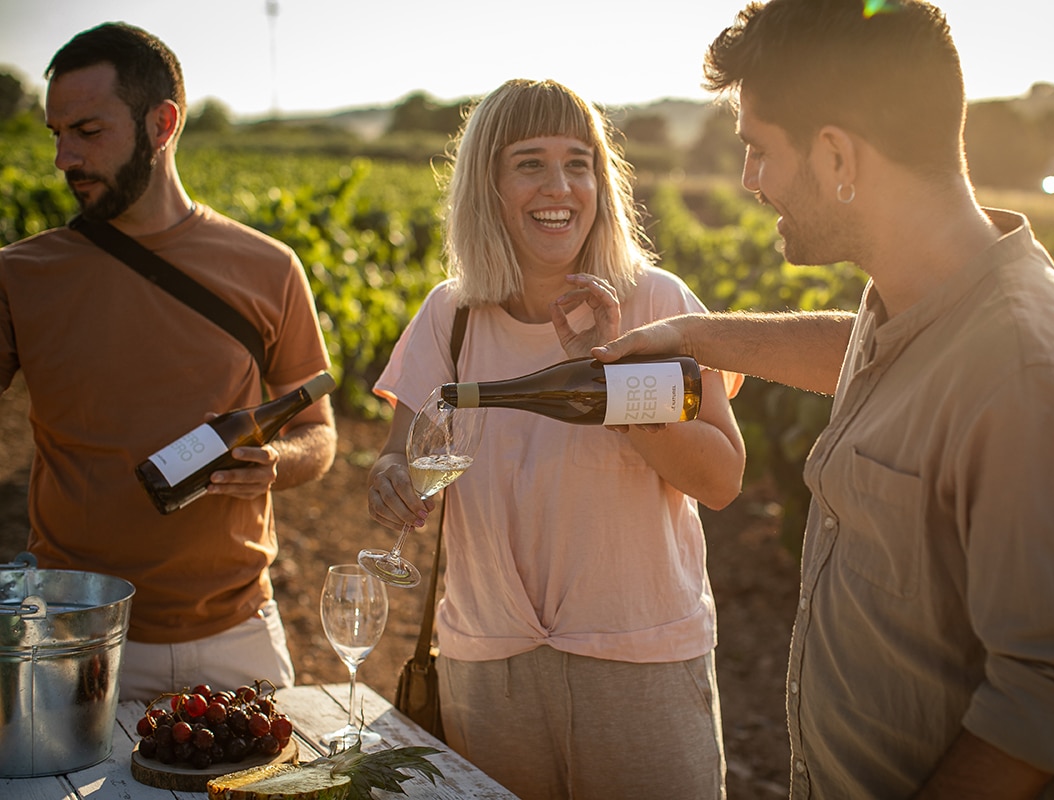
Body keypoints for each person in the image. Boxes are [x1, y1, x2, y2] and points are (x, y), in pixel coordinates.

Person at [594, 1, 1054, 798]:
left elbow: (1049, 704)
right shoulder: (921, 301)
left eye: (758, 150)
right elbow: (869, 360)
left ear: (835, 157)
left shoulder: (1031, 379)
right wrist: (697, 335)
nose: (751, 180)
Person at [367, 78, 746, 800]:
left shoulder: (655, 304)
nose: (561, 185)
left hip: (641, 660)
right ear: (489, 184)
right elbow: (401, 455)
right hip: (487, 664)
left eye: (579, 162)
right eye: (530, 163)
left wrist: (621, 375)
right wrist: (390, 481)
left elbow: (723, 479)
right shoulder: (451, 317)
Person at [0, 23, 336, 701]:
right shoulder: (20, 275)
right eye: (56, 134)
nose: (65, 158)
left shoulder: (269, 268)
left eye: (88, 131)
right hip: (75, 636)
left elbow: (320, 431)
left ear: (162, 124)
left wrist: (275, 463)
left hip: (237, 634)